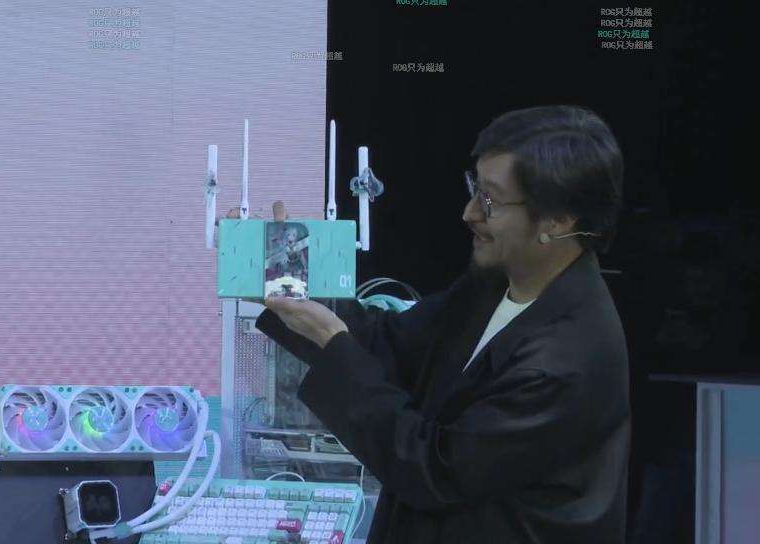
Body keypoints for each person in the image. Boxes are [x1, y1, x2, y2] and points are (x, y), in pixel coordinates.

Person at [247, 105, 629, 543]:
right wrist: (287, 281)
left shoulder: (566, 358)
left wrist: (330, 341)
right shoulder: (494, 285)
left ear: (558, 219)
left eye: (490, 200)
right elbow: (390, 342)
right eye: (474, 189)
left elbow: (435, 470)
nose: (469, 213)